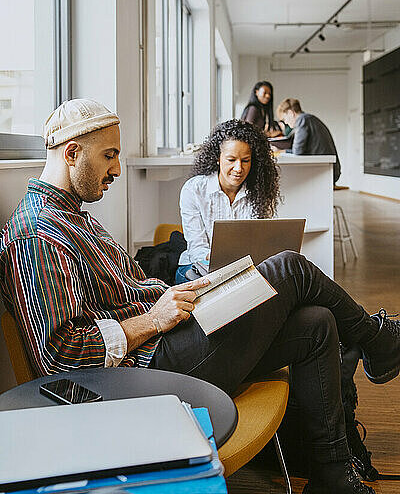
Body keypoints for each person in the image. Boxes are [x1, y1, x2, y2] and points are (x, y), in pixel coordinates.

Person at [1, 99, 400, 494]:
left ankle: (331, 474)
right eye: (110, 155)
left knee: (317, 323)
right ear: (72, 153)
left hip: (170, 336)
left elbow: (125, 296)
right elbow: (60, 357)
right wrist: (153, 320)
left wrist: (182, 294)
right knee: (290, 267)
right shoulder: (37, 233)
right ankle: (378, 340)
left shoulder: (70, 216)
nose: (117, 169)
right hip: (147, 366)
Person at [175, 119, 280, 283]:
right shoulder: (194, 190)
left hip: (245, 269)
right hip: (198, 267)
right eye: (231, 160)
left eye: (246, 160)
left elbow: (260, 244)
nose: (239, 168)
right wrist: (221, 259)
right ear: (218, 158)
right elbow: (197, 249)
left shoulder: (259, 192)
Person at [277, 98, 341, 184]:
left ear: (290, 113)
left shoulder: (302, 120)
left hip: (325, 170)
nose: (286, 123)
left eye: (285, 119)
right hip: (328, 168)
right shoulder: (309, 118)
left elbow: (298, 150)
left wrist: (282, 151)